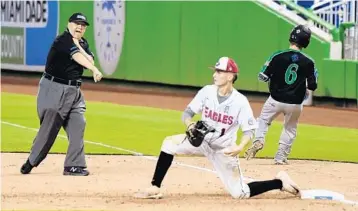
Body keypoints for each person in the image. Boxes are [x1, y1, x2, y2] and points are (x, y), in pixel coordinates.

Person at [134, 57, 301, 199]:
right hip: (201, 141)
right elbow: (187, 113)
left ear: (230, 76)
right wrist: (189, 123)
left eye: (219, 71)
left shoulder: (240, 101)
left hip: (224, 150)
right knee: (169, 143)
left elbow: (249, 130)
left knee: (240, 193)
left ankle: (279, 182)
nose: (214, 74)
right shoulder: (207, 91)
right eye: (215, 71)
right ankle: (155, 187)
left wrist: (240, 146)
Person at [20, 12, 103, 176]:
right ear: (69, 24)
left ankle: (74, 165)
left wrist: (81, 48)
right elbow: (79, 58)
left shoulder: (82, 43)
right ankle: (32, 161)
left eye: (83, 25)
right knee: (50, 129)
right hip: (55, 88)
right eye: (76, 23)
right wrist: (93, 69)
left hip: (74, 91)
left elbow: (90, 60)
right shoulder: (62, 41)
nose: (79, 27)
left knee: (79, 123)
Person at [244, 24, 318, 165]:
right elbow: (313, 86)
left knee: (263, 121)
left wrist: (275, 76)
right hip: (295, 103)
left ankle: (259, 140)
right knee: (290, 129)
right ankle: (280, 157)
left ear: (291, 37)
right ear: (306, 41)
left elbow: (262, 76)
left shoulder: (277, 56)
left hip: (275, 99)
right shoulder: (310, 62)